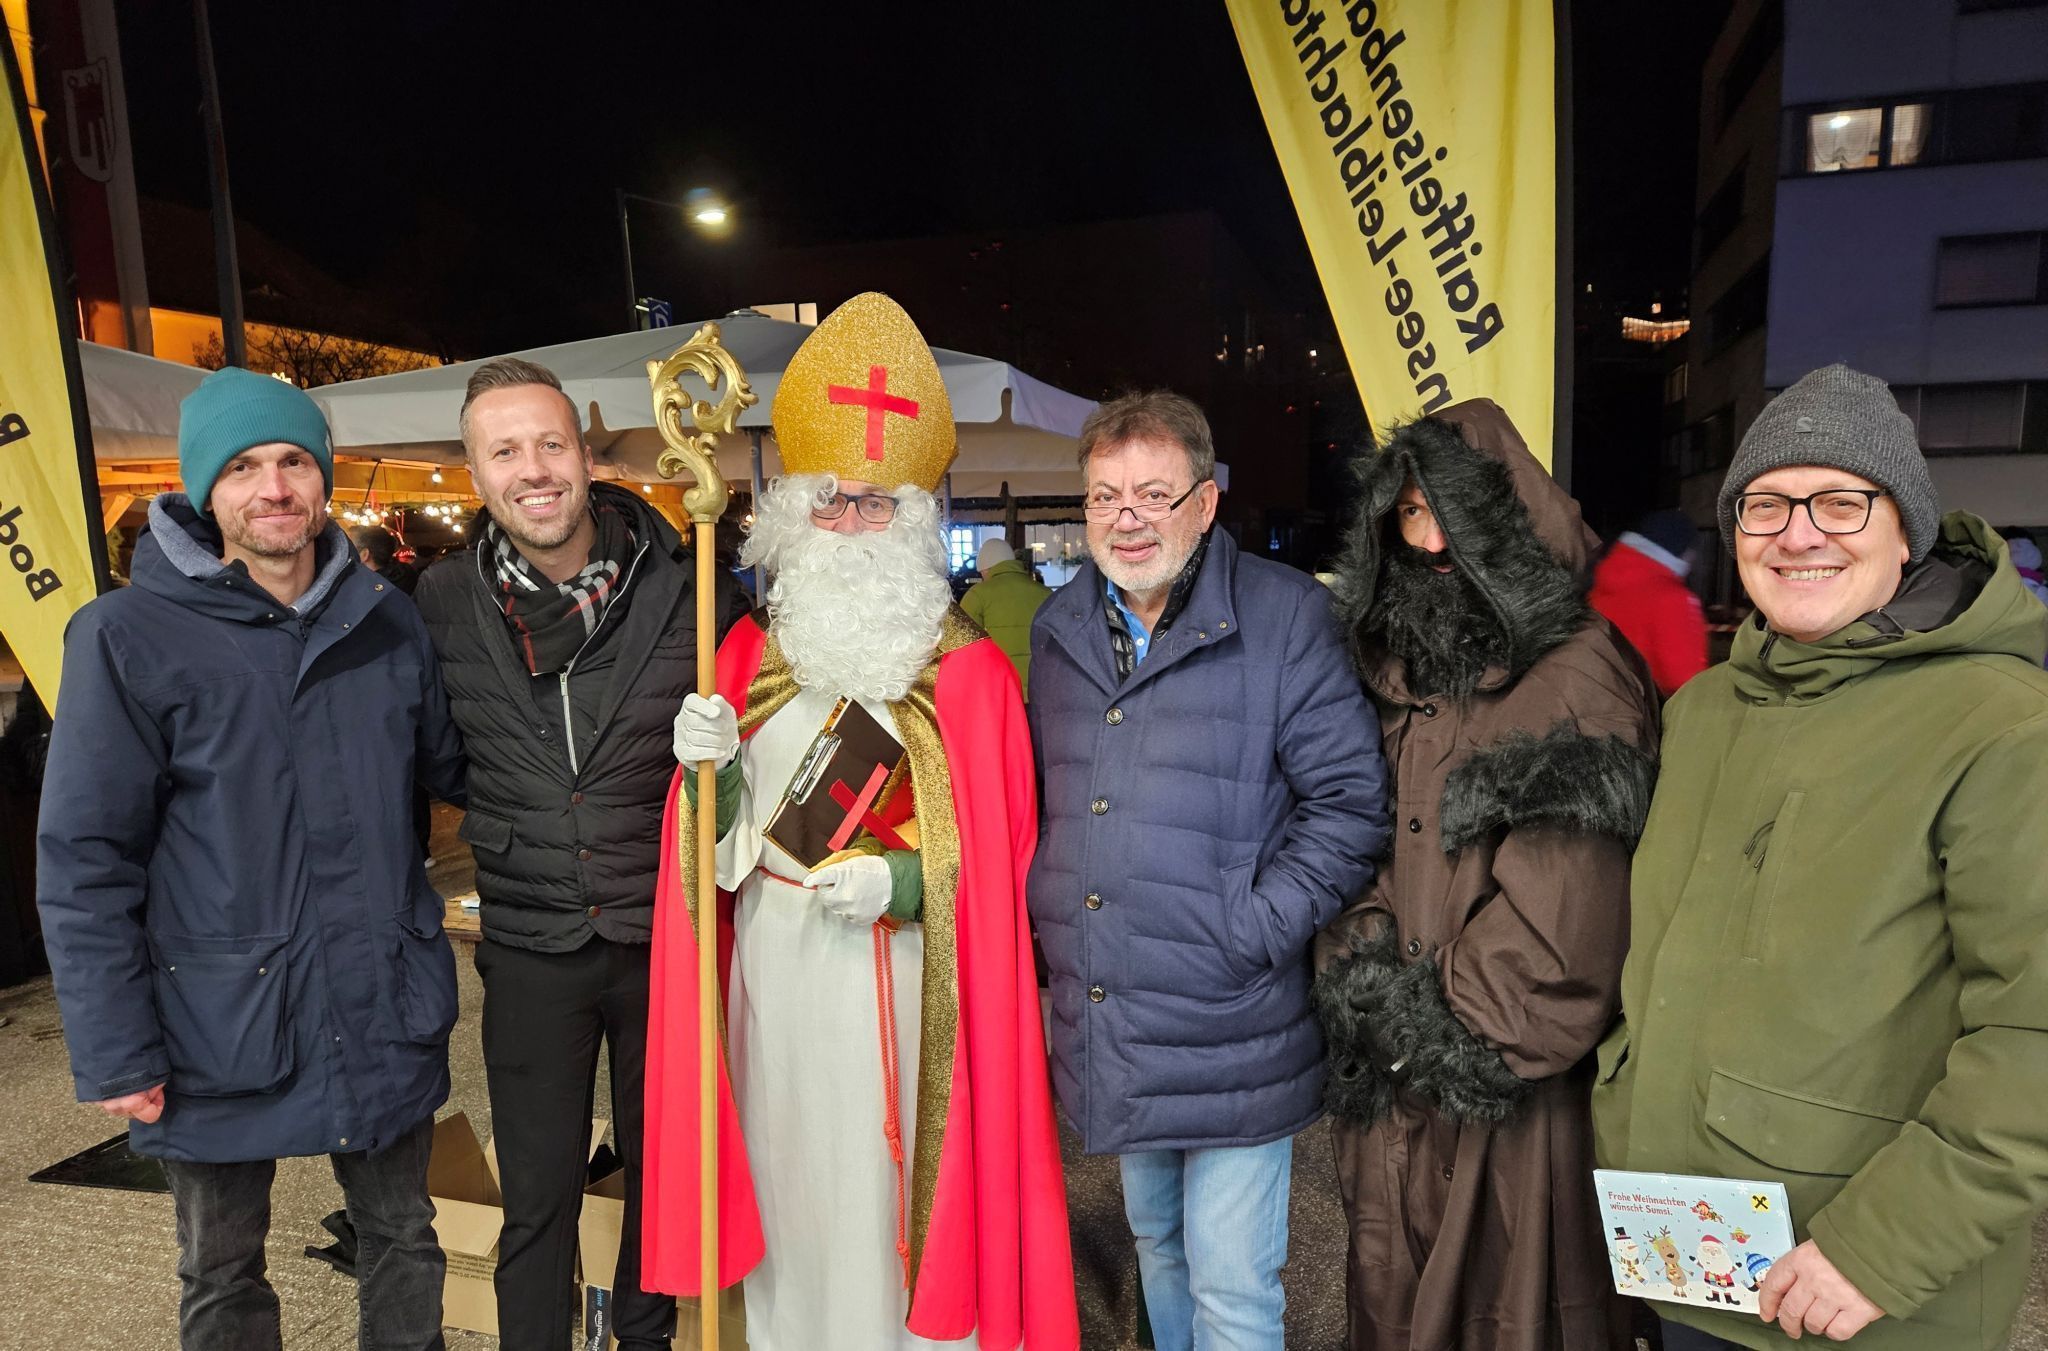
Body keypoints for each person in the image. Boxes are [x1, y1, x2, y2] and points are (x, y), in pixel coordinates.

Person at [646, 292, 1078, 1351]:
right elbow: (712, 854)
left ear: (915, 521)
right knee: (794, 1184)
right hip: (777, 982)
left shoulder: (969, 674)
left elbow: (1006, 854)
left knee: (898, 1201)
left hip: (908, 982)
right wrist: (708, 777)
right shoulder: (742, 657)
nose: (850, 524)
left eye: (875, 505)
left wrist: (905, 882)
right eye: (830, 502)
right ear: (794, 511)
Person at [1592, 364, 2048, 1350]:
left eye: (1840, 501)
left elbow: (2033, 1035)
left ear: (1905, 529)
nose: (1796, 533)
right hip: (1694, 1260)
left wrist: (1878, 1248)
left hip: (1868, 1295)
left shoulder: (2004, 726)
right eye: (1763, 506)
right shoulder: (1705, 709)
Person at [36, 366, 468, 1351]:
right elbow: (85, 856)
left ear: (320, 478)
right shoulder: (125, 635)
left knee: (404, 1236)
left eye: (290, 461)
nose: (271, 486)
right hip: (215, 1022)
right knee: (224, 1271)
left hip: (379, 994)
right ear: (200, 490)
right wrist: (114, 1045)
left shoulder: (383, 619)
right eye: (240, 467)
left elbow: (462, 763)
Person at [1028, 389, 1389, 1351]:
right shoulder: (1057, 631)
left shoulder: (1284, 617)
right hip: (1115, 1011)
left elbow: (1350, 803)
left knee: (1234, 1283)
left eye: (1153, 491)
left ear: (1206, 500)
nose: (1128, 517)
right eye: (1106, 496)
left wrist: (1252, 928)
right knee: (1158, 1247)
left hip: (1234, 1018)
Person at [1312, 401, 1660, 1350]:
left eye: (1450, 515)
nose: (1430, 542)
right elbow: (1354, 849)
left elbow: (1564, 931)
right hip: (1400, 1094)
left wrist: (1426, 1026)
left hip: (1511, 1104)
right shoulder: (1388, 670)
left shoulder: (1577, 670)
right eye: (1410, 516)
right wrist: (1368, 985)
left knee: (1512, 1316)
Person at [412, 357, 736, 1351]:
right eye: (504, 450)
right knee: (540, 1194)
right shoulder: (441, 602)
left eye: (550, 443)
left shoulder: (686, 581)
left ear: (586, 454)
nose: (534, 468)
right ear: (475, 474)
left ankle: (643, 1339)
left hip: (662, 933)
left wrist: (732, 756)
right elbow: (441, 759)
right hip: (530, 940)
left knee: (657, 1174)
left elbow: (758, 725)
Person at [1589, 506, 1709, 696]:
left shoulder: (1599, 585)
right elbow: (1685, 683)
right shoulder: (1674, 599)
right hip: (1647, 717)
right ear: (1681, 551)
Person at [960, 536, 1051, 696]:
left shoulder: (977, 595)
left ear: (986, 568)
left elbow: (962, 646)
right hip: (1040, 689)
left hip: (997, 691)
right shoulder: (1045, 593)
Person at [350, 523, 419, 594]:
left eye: (348, 549)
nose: (344, 554)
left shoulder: (365, 592)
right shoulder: (406, 575)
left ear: (364, 555)